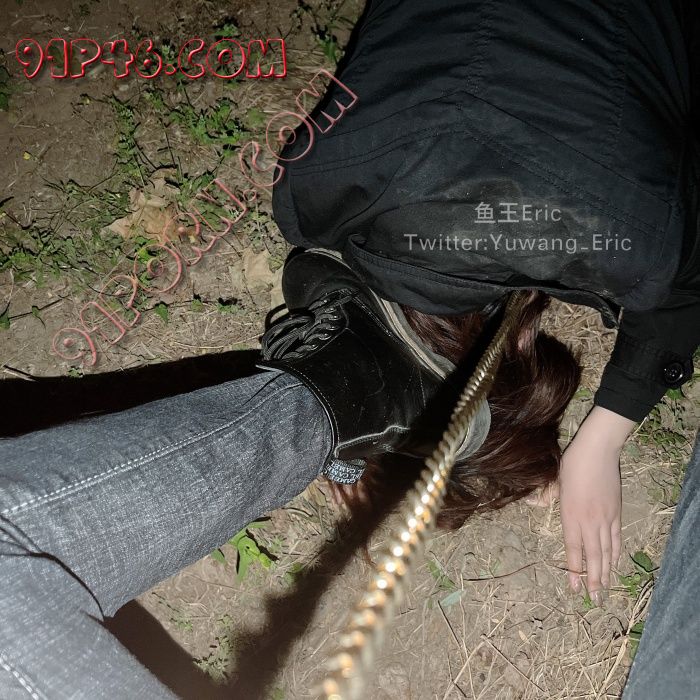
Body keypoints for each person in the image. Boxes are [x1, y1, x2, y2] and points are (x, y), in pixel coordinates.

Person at [0, 1, 698, 698]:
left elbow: (680, 286)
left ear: (517, 341)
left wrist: (600, 438)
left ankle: (349, 386)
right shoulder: (305, 193)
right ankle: (338, 388)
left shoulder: (625, 235)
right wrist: (602, 437)